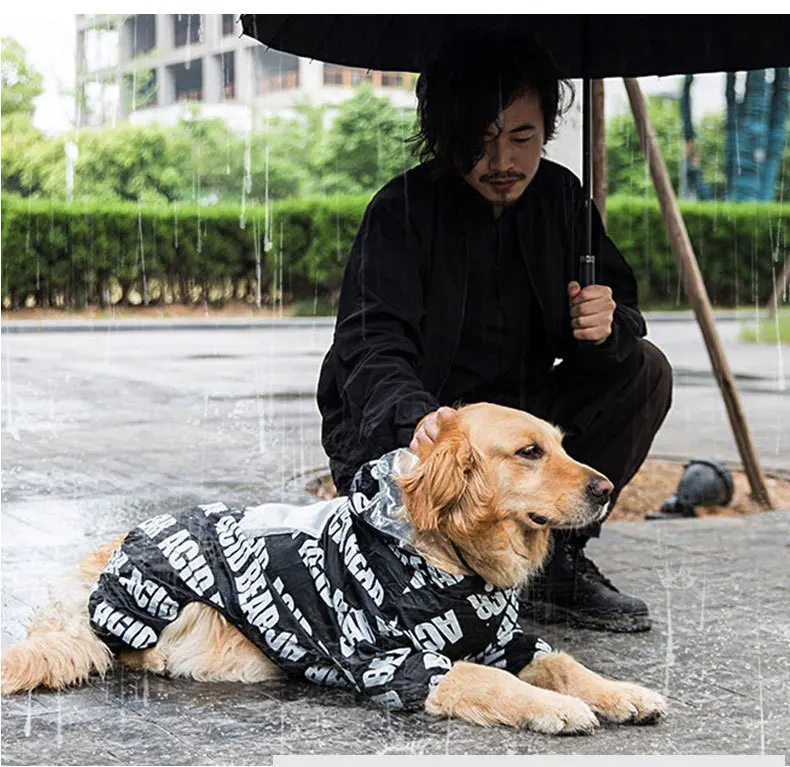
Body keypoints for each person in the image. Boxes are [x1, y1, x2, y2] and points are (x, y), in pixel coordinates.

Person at [316, 29, 673, 633]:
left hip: (519, 420)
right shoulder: (401, 211)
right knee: (415, 586)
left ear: (547, 129)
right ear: (445, 136)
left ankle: (556, 559)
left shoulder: (562, 199)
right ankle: (429, 560)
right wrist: (417, 419)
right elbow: (370, 346)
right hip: (416, 423)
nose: (503, 162)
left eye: (522, 138)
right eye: (479, 143)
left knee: (643, 367)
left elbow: (624, 316)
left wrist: (604, 326)